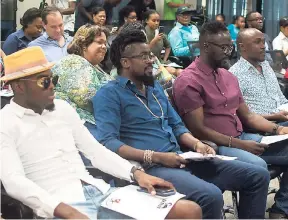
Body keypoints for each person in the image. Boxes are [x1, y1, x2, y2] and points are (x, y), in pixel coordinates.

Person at [0, 46, 202, 220]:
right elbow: (13, 182)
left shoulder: (62, 109)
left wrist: (136, 174)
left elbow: (94, 151)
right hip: (58, 205)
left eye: (53, 78)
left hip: (99, 191)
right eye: (44, 81)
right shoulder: (6, 123)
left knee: (188, 211)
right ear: (19, 86)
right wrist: (66, 212)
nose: (52, 85)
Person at [92, 28, 270, 219]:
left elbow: (177, 127)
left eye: (150, 55)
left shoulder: (154, 88)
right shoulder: (109, 94)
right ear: (125, 62)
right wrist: (157, 157)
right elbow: (108, 143)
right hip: (151, 167)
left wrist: (197, 144)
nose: (151, 60)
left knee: (258, 176)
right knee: (211, 196)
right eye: (144, 56)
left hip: (183, 158)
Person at [173, 21, 288, 219]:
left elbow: (249, 116)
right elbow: (198, 130)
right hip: (217, 145)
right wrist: (241, 144)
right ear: (206, 47)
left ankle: (281, 208)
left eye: (230, 46)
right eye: (224, 47)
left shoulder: (227, 76)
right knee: (258, 168)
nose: (229, 52)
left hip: (241, 136)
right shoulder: (189, 81)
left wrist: (276, 129)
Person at [53, 24, 113, 141]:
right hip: (79, 128)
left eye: (105, 43)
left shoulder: (93, 66)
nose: (104, 47)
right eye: (100, 42)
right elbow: (87, 97)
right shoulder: (74, 62)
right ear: (84, 45)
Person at [230, 28, 288, 121]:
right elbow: (238, 116)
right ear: (242, 47)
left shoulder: (265, 65)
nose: (263, 46)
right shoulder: (234, 74)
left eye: (263, 42)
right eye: (257, 42)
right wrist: (273, 117)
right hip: (262, 127)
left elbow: (281, 98)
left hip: (282, 117)